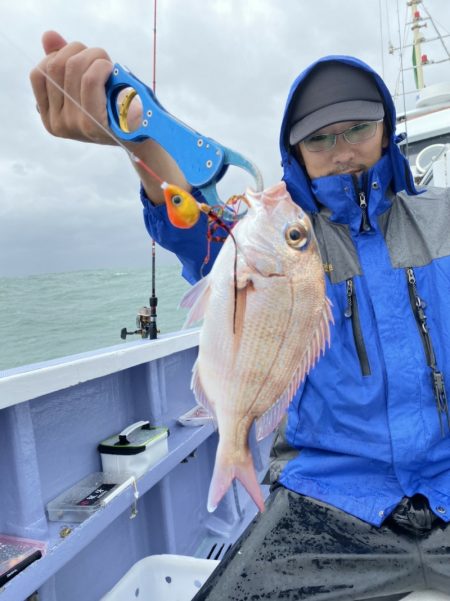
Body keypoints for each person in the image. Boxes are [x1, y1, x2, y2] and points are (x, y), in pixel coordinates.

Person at [31, 31, 450, 600]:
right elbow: (188, 215)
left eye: (358, 128)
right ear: (295, 151)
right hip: (327, 496)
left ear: (386, 127)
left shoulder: (441, 218)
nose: (343, 148)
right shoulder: (279, 234)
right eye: (320, 137)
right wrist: (135, 132)